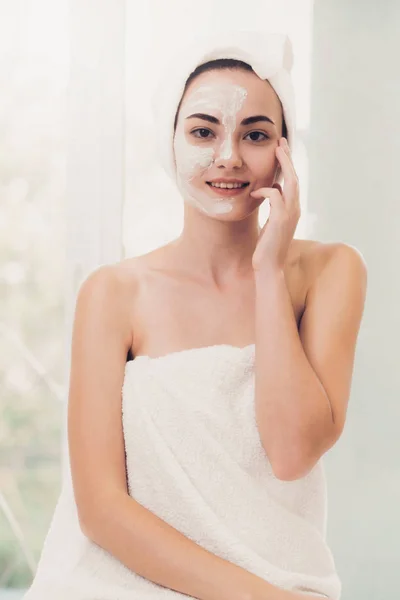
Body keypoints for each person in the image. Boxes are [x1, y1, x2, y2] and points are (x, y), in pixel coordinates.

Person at [23, 31, 367, 600]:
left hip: (287, 579)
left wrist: (268, 272)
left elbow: (291, 453)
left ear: (284, 151)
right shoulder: (113, 293)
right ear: (171, 141)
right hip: (122, 584)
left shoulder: (330, 272)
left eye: (255, 135)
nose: (228, 156)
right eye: (203, 131)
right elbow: (101, 510)